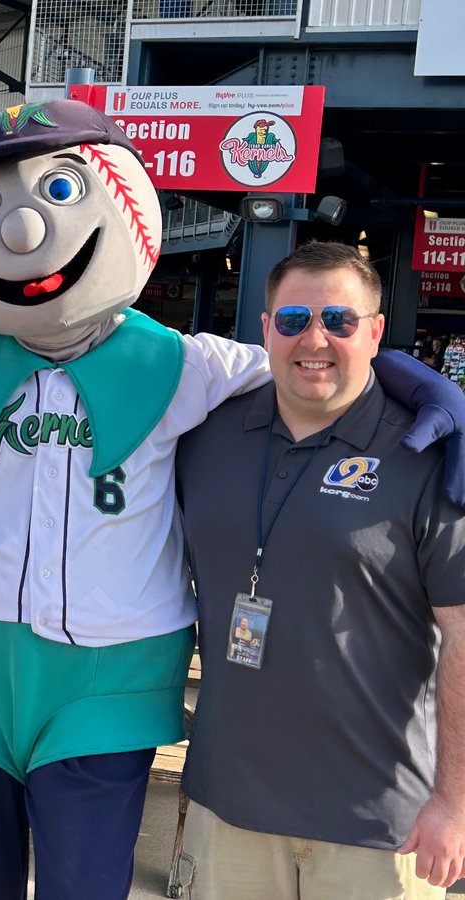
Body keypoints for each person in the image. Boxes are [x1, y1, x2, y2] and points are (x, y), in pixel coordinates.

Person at [0, 101, 465, 900]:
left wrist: (415, 379)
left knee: (85, 885)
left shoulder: (186, 366)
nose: (23, 232)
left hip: (110, 672)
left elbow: (308, 361)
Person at [176, 242, 465, 899]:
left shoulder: (430, 451)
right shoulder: (203, 436)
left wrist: (455, 801)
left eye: (340, 320)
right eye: (293, 319)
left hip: (380, 823)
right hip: (229, 808)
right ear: (264, 329)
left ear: (376, 332)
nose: (315, 339)